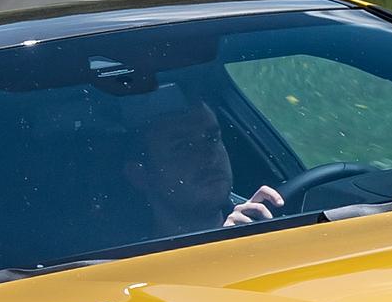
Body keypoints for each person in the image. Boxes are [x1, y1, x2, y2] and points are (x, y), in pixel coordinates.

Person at [120, 91, 284, 233]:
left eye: (212, 139)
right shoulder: (121, 264)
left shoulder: (264, 221)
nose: (210, 156)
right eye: (183, 147)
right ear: (140, 176)